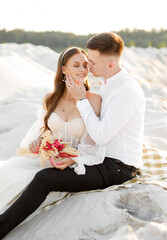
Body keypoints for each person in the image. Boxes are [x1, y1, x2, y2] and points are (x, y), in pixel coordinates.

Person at [0, 32, 145, 239]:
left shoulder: (125, 90)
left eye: (91, 62)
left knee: (44, 179)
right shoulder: (108, 84)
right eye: (84, 63)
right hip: (102, 158)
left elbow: (100, 136)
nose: (88, 67)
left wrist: (81, 100)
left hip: (117, 166)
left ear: (110, 65)